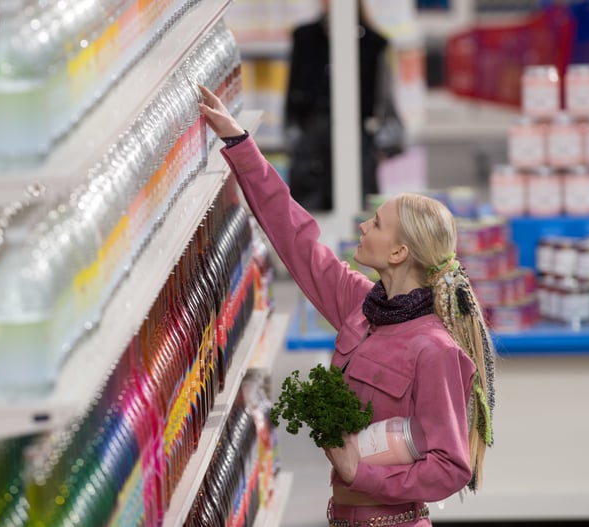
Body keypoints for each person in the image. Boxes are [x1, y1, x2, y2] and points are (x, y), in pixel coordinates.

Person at [198, 84, 495, 526]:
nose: (362, 227)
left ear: (398, 254)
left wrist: (363, 474)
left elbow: (451, 466)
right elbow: (295, 237)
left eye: (375, 224)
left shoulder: (435, 349)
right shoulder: (362, 304)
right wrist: (240, 144)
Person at [284, 0, 397, 211]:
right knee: (309, 216)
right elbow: (291, 95)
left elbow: (386, 101)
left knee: (358, 213)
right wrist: (293, 140)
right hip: (311, 145)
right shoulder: (304, 37)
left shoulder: (374, 43)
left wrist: (383, 143)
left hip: (357, 141)